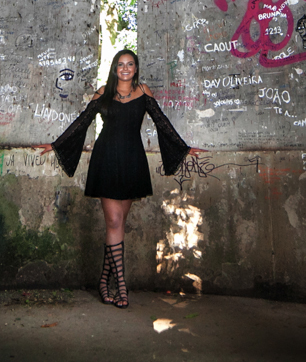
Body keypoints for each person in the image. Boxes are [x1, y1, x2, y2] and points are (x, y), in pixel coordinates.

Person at [36, 49, 201, 308]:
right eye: (120, 64)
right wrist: (57, 145)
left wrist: (183, 148)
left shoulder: (144, 92)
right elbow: (83, 122)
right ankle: (121, 286)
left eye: (130, 64)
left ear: (135, 69)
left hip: (132, 160)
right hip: (106, 159)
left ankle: (104, 282)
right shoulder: (103, 93)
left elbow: (162, 122)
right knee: (113, 220)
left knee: (119, 223)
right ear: (115, 68)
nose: (125, 68)